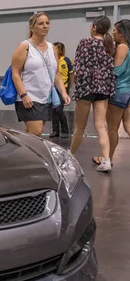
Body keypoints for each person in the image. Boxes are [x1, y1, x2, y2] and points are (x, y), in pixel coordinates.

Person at [10, 12, 70, 137]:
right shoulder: (24, 46)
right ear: (32, 27)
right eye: (41, 23)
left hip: (45, 97)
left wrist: (63, 93)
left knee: (32, 134)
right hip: (29, 96)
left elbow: (56, 73)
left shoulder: (52, 47)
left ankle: (19, 153)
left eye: (47, 23)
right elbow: (15, 73)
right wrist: (24, 95)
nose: (45, 26)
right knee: (36, 132)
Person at [69, 15, 116, 172]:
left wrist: (76, 85)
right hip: (103, 89)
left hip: (86, 88)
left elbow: (79, 66)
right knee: (101, 125)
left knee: (79, 127)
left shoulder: (85, 42)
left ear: (94, 27)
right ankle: (107, 160)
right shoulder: (110, 45)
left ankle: (69, 157)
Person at [92, 19, 130, 167]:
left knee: (112, 128)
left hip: (119, 91)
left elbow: (117, 71)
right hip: (127, 92)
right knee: (127, 125)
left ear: (121, 33)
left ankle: (108, 158)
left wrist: (103, 69)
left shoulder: (122, 47)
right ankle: (106, 157)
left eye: (115, 30)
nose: (112, 33)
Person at [49, 42, 74, 138]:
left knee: (59, 109)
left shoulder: (66, 61)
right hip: (53, 88)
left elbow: (71, 74)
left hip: (63, 87)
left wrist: (69, 87)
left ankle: (65, 130)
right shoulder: (52, 60)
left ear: (59, 50)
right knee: (53, 110)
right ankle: (55, 131)